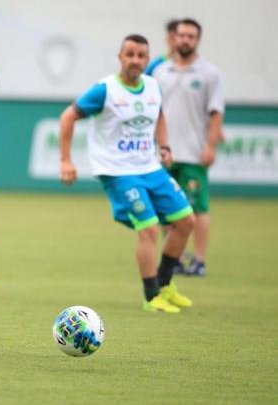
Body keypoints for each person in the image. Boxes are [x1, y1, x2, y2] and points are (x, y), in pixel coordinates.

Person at [59, 34, 195, 313]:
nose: (135, 60)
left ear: (147, 59)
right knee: (150, 229)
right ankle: (151, 296)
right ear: (120, 57)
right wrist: (65, 160)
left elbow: (159, 117)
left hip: (150, 167)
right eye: (130, 54)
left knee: (185, 221)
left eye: (141, 55)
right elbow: (68, 116)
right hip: (118, 171)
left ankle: (166, 284)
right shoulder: (104, 90)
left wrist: (164, 146)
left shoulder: (153, 86)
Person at [152, 19, 225, 276]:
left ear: (197, 40)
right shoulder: (161, 72)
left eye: (191, 36)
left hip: (194, 153)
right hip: (164, 153)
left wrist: (210, 145)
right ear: (174, 38)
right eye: (181, 35)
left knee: (197, 208)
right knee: (167, 209)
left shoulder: (209, 73)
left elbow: (216, 113)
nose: (185, 40)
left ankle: (199, 260)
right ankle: (175, 260)